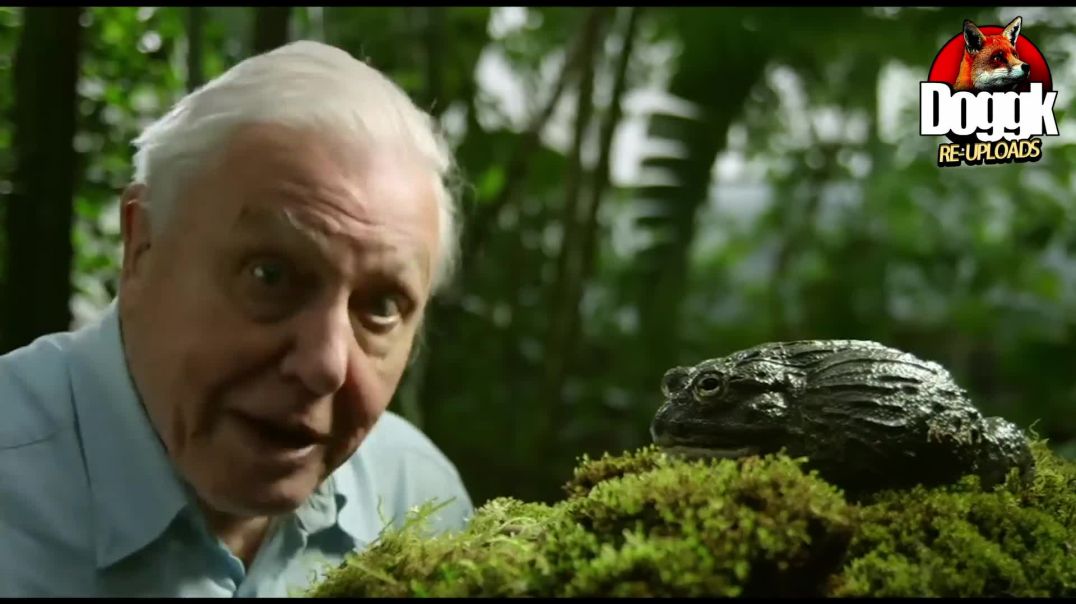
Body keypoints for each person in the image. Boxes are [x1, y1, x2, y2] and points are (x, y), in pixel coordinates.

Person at [0, 40, 474, 596]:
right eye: (270, 276)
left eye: (381, 307)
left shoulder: (418, 498)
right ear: (142, 247)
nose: (325, 365)